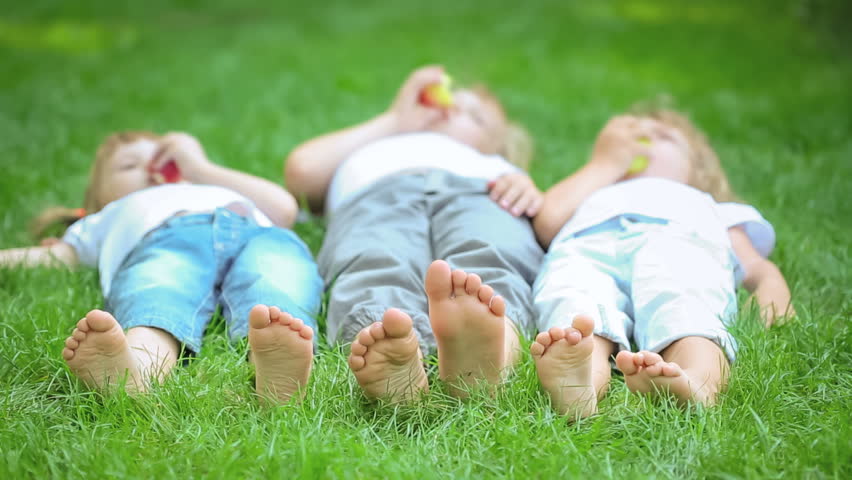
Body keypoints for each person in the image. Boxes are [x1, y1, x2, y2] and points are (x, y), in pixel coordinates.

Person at [0, 131, 323, 404]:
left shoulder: (207, 185)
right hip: (168, 240)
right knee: (160, 286)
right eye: (130, 165)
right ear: (99, 198)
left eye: (162, 158)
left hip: (261, 236)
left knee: (278, 279)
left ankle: (278, 367)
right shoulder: (106, 217)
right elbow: (58, 257)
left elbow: (283, 208)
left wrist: (199, 167)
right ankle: (136, 367)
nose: (152, 167)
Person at [285, 65, 544, 401]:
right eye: (450, 99)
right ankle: (392, 349)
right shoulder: (379, 142)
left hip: (480, 194)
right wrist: (394, 120)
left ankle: (494, 342)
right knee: (376, 257)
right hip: (375, 196)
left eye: (474, 117)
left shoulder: (495, 168)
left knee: (491, 250)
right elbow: (303, 170)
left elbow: (543, 220)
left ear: (496, 148)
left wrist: (525, 190)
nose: (450, 108)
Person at [530, 110, 794, 420]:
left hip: (676, 242)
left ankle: (698, 382)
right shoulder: (596, 188)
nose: (643, 140)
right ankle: (580, 383)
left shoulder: (708, 205)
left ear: (696, 169)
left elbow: (759, 269)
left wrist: (771, 296)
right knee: (577, 306)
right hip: (589, 247)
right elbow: (547, 221)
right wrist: (604, 165)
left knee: (685, 301)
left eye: (663, 137)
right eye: (633, 134)